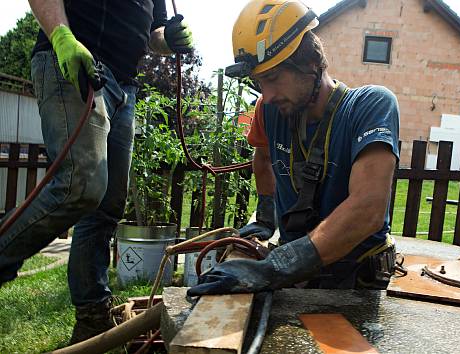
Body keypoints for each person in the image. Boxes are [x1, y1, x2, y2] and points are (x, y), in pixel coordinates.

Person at [0, 0, 193, 343]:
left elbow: (154, 35)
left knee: (106, 206)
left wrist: (171, 38)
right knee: (81, 183)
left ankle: (93, 316)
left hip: (124, 86)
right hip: (72, 60)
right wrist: (61, 35)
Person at [188, 0, 400, 296]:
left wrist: (276, 266)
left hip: (354, 284)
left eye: (273, 78)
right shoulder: (269, 110)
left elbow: (367, 209)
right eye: (259, 82)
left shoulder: (370, 106)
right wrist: (264, 217)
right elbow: (261, 159)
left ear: (310, 62)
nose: (268, 95)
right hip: (293, 279)